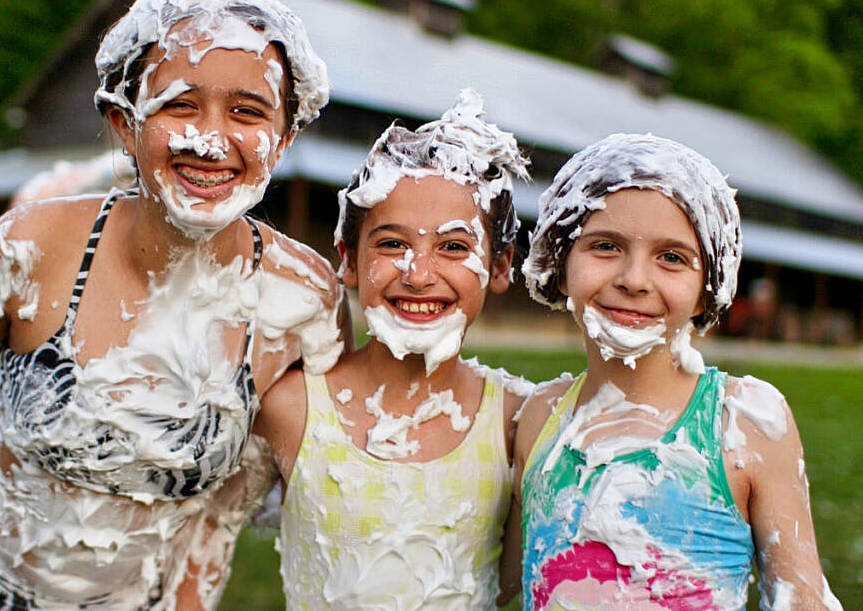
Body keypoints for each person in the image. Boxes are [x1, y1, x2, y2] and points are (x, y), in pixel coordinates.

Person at [0, 0, 347, 610]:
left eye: (248, 111)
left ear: (286, 135)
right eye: (180, 105)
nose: (211, 139)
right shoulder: (30, 246)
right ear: (125, 121)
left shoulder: (303, 302)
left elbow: (229, 505)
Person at [509, 133, 842, 609]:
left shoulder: (744, 422)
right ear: (560, 264)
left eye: (672, 257)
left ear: (709, 285)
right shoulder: (539, 418)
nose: (634, 280)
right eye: (605, 246)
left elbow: (801, 600)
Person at [254, 89, 534, 609]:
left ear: (499, 267)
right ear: (349, 258)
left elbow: (516, 580)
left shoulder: (517, 423)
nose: (418, 273)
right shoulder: (289, 408)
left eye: (454, 247)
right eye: (391, 244)